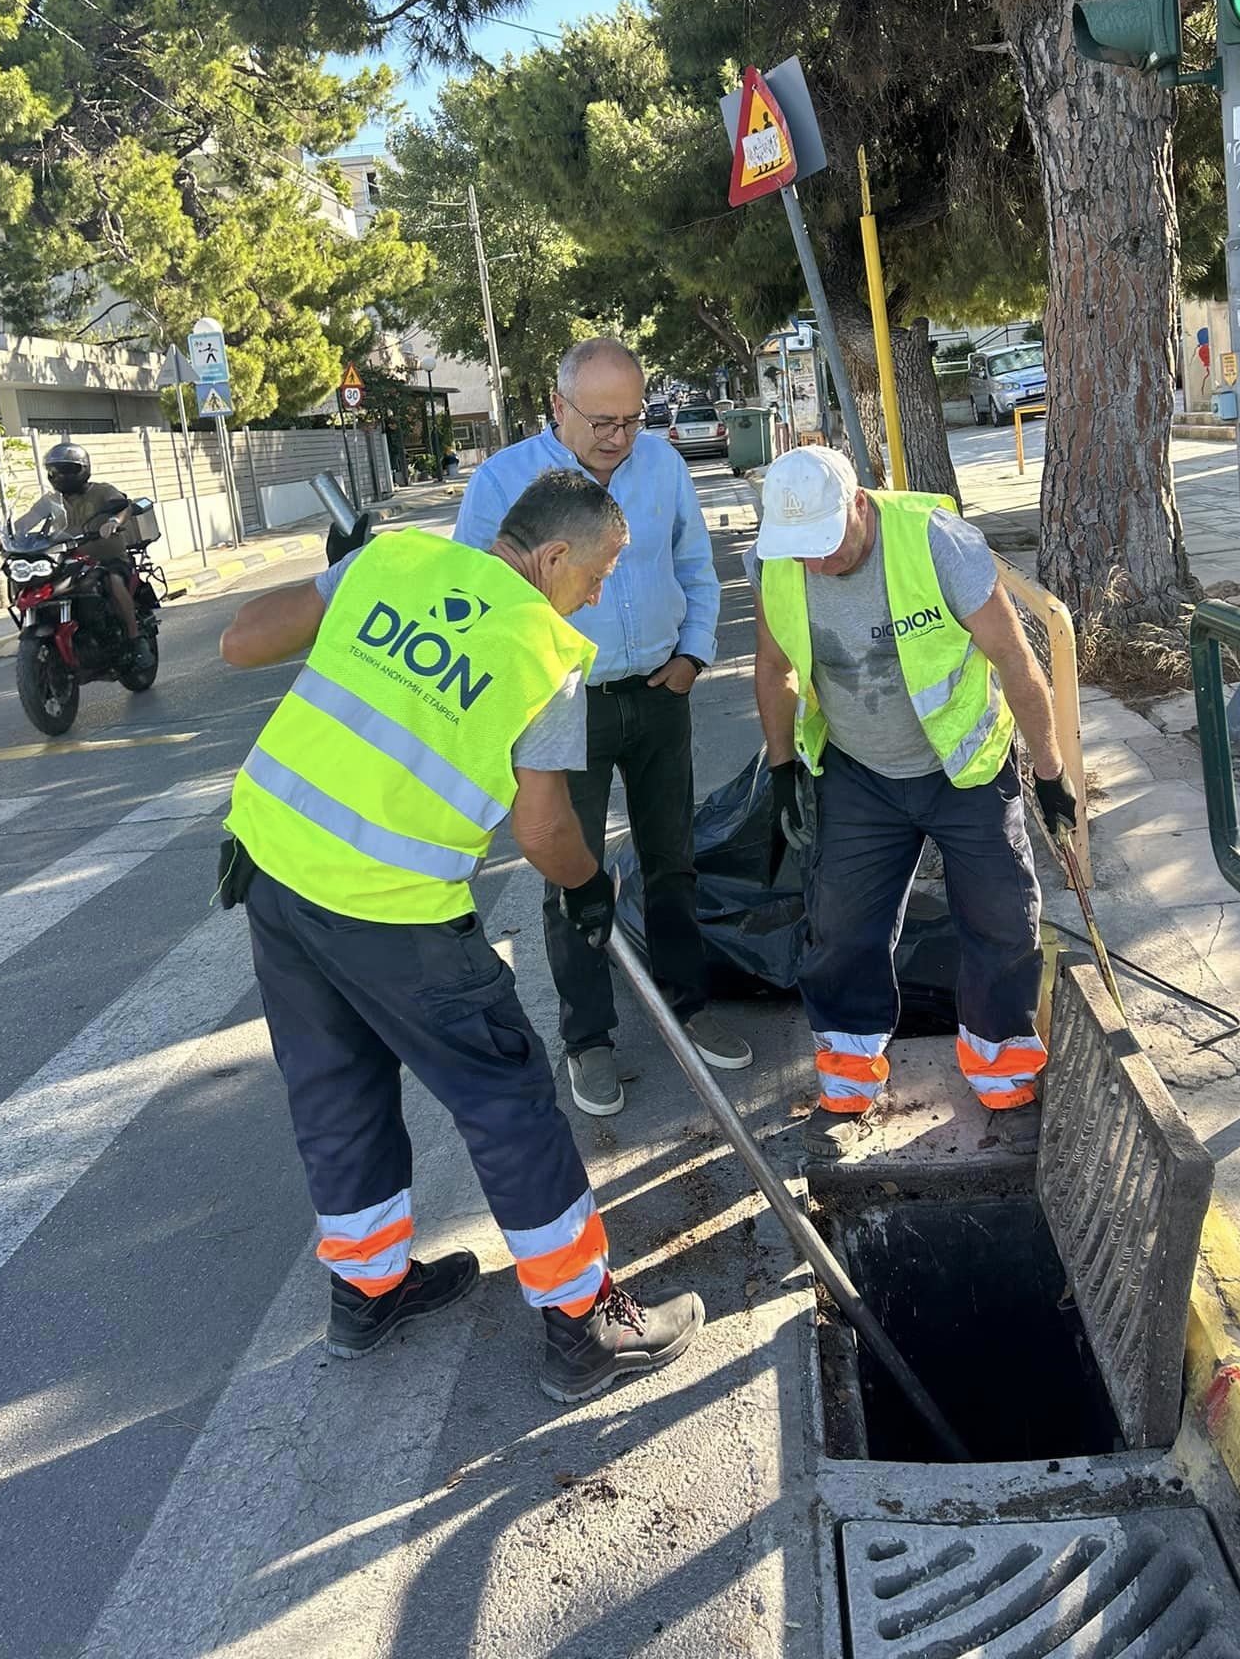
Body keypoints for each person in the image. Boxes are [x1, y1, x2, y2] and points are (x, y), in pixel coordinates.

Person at [218, 469, 703, 1400]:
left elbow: (241, 642)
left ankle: (368, 1290)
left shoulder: (391, 562)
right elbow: (544, 830)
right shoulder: (544, 651)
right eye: (598, 573)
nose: (596, 595)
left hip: (276, 875)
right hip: (393, 910)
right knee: (505, 1097)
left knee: (335, 1083)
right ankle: (584, 1321)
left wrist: (342, 579)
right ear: (552, 556)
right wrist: (590, 887)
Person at [748, 448, 1078, 1159]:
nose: (818, 565)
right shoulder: (777, 560)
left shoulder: (935, 542)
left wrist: (1051, 773)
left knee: (999, 918)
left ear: (858, 503)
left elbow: (1015, 659)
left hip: (962, 768)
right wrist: (781, 771)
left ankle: (1004, 1077)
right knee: (842, 928)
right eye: (802, 552)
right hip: (859, 774)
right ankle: (846, 1084)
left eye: (827, 544)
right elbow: (774, 667)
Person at [454, 338, 748, 1118]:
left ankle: (687, 1006)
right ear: (558, 406)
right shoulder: (501, 481)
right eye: (601, 422)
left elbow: (696, 567)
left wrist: (692, 655)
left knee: (672, 860)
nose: (619, 437)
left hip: (657, 694)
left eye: (631, 419)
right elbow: (473, 595)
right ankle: (589, 1038)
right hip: (560, 707)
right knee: (569, 876)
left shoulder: (664, 467)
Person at [27, 443, 152, 672]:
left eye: (67, 469)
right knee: (43, 587)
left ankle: (136, 641)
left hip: (109, 559)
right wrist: (3, 538)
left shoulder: (102, 491)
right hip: (72, 562)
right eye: (55, 470)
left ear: (83, 469)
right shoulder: (51, 501)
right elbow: (26, 521)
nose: (60, 476)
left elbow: (125, 507)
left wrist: (114, 521)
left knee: (114, 581)